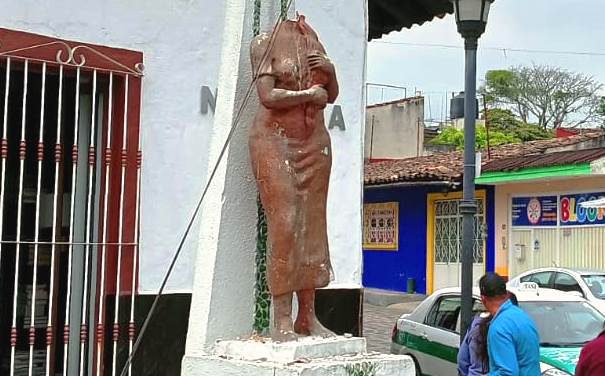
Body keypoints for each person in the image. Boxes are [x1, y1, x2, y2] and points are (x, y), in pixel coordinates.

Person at [249, 15, 339, 341]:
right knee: (286, 224)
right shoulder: (263, 42)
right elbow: (267, 97)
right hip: (275, 141)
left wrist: (330, 72)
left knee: (312, 227)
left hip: (315, 143)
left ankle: (308, 317)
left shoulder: (311, 37)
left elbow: (331, 94)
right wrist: (308, 96)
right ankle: (282, 318)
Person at [479, 273, 541, 376]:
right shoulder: (523, 317)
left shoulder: (499, 327)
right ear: (506, 293)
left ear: (483, 299)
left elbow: (508, 373)